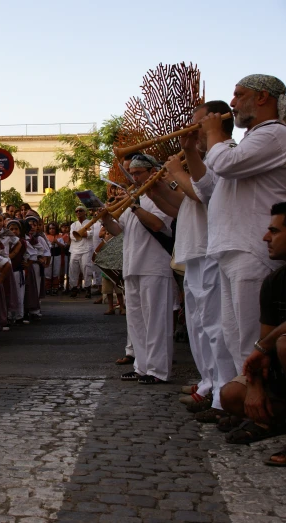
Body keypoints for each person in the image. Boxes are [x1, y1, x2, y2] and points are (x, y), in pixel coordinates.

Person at [149, 100, 236, 414]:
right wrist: (156, 188)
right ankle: (208, 382)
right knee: (200, 325)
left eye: (196, 124)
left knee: (215, 326)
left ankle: (222, 393)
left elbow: (201, 193)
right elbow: (182, 205)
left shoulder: (225, 154)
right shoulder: (205, 158)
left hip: (210, 249)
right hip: (195, 249)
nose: (190, 130)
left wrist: (176, 169)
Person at [200, 74, 286, 378]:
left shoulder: (275, 134)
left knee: (251, 337)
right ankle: (241, 399)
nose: (232, 103)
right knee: (234, 336)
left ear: (262, 98)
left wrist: (213, 134)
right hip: (233, 248)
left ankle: (258, 405)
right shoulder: (253, 139)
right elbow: (212, 182)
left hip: (252, 246)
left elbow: (226, 164)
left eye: (239, 95)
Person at [219, 203, 286, 461]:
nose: (265, 237)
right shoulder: (275, 281)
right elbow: (262, 347)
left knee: (283, 344)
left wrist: (264, 346)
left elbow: (267, 343)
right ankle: (274, 419)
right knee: (232, 395)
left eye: (274, 231)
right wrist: (256, 386)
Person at [102, 154, 175, 385]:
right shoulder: (135, 197)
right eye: (131, 174)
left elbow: (158, 225)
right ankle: (141, 366)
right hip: (132, 265)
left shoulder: (160, 196)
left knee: (156, 321)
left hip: (154, 265)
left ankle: (158, 370)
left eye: (138, 173)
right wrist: (104, 219)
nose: (133, 178)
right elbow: (118, 230)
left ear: (152, 172)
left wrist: (134, 205)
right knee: (136, 322)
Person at [68, 206, 92, 298]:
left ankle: (87, 288)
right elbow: (72, 236)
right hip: (74, 250)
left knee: (86, 268)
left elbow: (91, 234)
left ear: (85, 212)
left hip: (86, 249)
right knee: (73, 269)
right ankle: (74, 288)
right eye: (76, 211)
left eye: (80, 210)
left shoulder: (90, 223)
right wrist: (83, 234)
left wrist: (80, 234)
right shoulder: (73, 224)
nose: (78, 212)